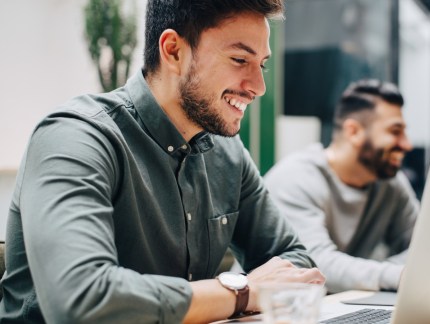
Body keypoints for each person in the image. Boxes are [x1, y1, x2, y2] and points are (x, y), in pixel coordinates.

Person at [0, 0, 325, 322]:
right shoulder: (75, 137)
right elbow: (82, 299)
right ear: (173, 51)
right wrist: (241, 291)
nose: (259, 86)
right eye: (240, 59)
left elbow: (296, 264)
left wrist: (247, 290)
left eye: (262, 65)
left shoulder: (227, 152)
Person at [264, 79, 418, 293]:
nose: (406, 144)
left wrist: (407, 271)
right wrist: (399, 274)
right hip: (269, 313)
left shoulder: (391, 184)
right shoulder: (295, 179)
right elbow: (317, 265)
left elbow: (421, 250)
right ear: (353, 131)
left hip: (337, 306)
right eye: (395, 131)